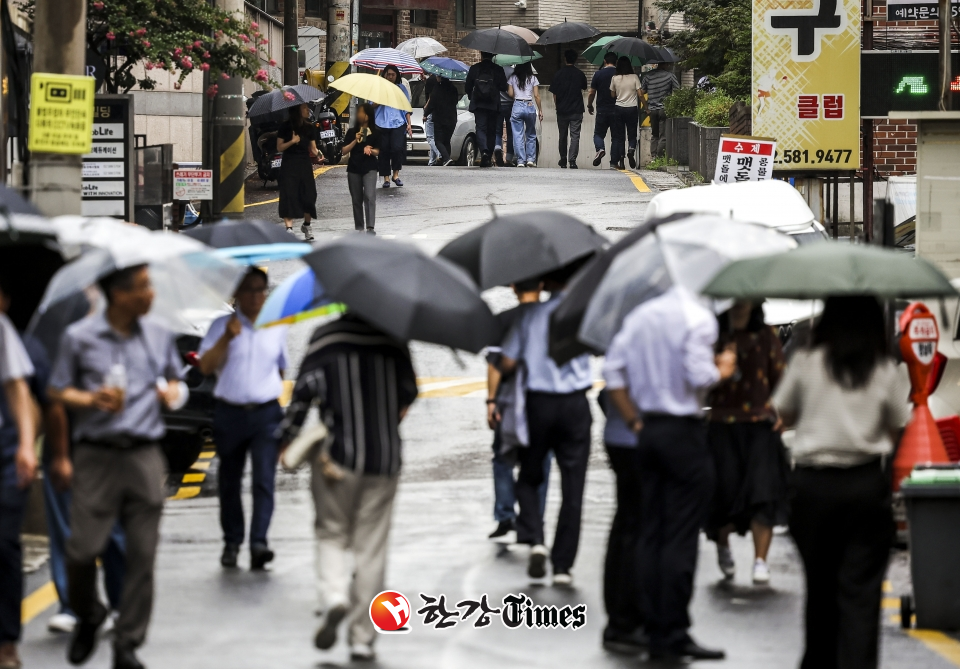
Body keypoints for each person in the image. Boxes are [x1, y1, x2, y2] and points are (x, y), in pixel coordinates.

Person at [49, 264, 185, 669]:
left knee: (142, 555)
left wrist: (169, 394)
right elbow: (57, 390)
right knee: (82, 549)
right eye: (143, 288)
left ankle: (128, 641)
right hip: (95, 455)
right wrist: (91, 400)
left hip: (144, 455)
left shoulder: (159, 334)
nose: (151, 295)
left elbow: (178, 381)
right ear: (119, 295)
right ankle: (89, 612)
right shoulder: (80, 338)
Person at [773, 296, 910, 669]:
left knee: (820, 589)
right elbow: (898, 426)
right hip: (865, 487)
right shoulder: (883, 369)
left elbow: (783, 412)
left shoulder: (806, 363)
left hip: (813, 489)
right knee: (861, 595)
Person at [603, 286, 736, 661]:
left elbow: (613, 373)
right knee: (680, 536)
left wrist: (634, 421)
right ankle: (672, 631)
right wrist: (721, 369)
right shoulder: (697, 318)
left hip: (648, 432)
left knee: (651, 533)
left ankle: (652, 626)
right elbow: (699, 375)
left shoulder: (639, 318)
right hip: (684, 433)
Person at [279, 313, 418, 663]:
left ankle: (335, 596)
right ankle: (362, 638)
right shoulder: (393, 337)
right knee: (371, 548)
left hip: (337, 459)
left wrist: (287, 439)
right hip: (385, 458)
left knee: (331, 533)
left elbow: (303, 393)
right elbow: (409, 391)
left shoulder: (326, 337)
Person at [499, 274, 592, 586]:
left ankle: (537, 539)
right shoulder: (582, 312)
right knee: (573, 485)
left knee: (529, 475)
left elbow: (508, 363)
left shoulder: (529, 315)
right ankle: (563, 565)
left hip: (539, 405)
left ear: (544, 283)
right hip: (576, 405)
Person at [198, 267, 288, 571]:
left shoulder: (276, 326)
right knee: (230, 480)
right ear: (236, 294)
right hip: (230, 412)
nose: (255, 296)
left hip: (265, 413)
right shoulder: (220, 326)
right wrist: (226, 337)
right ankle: (232, 541)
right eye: (248, 290)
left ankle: (259, 542)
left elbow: (281, 368)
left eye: (260, 290)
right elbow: (205, 367)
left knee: (264, 479)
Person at [707, 301, 789, 586]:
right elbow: (697, 382)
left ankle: (760, 561)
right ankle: (722, 545)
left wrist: (784, 414)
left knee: (762, 493)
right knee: (723, 494)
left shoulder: (766, 335)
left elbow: (781, 379)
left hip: (759, 425)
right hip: (721, 425)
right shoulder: (712, 336)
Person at [485, 280, 551, 543]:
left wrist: (491, 401)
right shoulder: (550, 317)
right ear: (542, 285)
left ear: (513, 288)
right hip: (543, 401)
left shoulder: (503, 320)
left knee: (503, 459)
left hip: (509, 402)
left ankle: (504, 515)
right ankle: (535, 518)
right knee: (541, 462)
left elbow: (495, 366)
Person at [0, 298, 37, 669]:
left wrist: (26, 445)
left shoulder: (2, 329)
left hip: (5, 448)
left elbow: (17, 388)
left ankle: (7, 640)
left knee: (5, 543)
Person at [598, 388, 647, 655]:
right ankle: (624, 619)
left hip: (625, 435)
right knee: (634, 527)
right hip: (635, 437)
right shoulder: (633, 346)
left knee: (627, 525)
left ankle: (622, 617)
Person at [276, 103, 319, 241]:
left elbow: (313, 148)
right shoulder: (285, 126)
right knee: (289, 194)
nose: (308, 110)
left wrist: (319, 155)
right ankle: (289, 228)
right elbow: (280, 147)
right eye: (305, 108)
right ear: (297, 111)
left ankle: (307, 225)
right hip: (289, 164)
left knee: (309, 195)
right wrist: (292, 141)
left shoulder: (309, 127)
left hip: (304, 164)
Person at [340, 102, 381, 234]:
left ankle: (370, 226)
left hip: (370, 167)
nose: (359, 115)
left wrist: (370, 149)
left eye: (361, 112)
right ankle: (359, 227)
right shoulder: (352, 132)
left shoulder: (376, 132)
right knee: (356, 199)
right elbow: (343, 151)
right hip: (354, 167)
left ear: (368, 116)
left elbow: (379, 151)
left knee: (369, 196)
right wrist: (354, 141)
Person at [465, 51, 508, 167]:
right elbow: (504, 87)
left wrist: (472, 96)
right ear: (493, 55)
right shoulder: (498, 69)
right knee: (492, 130)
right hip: (493, 105)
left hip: (479, 104)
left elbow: (467, 87)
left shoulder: (474, 68)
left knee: (480, 128)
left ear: (481, 55)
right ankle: (488, 155)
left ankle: (483, 151)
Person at [549, 49, 588, 169]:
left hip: (562, 110)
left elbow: (554, 94)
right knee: (575, 136)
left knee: (562, 135)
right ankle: (572, 160)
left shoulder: (558, 74)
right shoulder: (580, 74)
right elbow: (584, 87)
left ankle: (563, 158)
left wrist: (557, 106)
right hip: (576, 109)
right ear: (576, 60)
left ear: (565, 59)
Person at [375, 65, 412, 188]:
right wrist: (380, 99)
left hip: (398, 122)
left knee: (397, 148)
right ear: (384, 75)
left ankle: (395, 174)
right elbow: (371, 105)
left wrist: (409, 124)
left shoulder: (401, 89)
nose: (390, 77)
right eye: (388, 74)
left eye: (393, 75)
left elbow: (406, 107)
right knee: (384, 149)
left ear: (397, 76)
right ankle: (386, 177)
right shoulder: (379, 88)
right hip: (381, 122)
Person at [609, 56, 642, 170]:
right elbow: (640, 93)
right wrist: (646, 107)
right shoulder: (634, 77)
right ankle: (631, 150)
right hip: (632, 108)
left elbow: (612, 95)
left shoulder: (615, 78)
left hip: (619, 108)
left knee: (619, 136)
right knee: (632, 133)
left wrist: (619, 93)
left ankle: (621, 160)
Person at [641, 63, 680, 158]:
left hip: (652, 110)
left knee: (654, 134)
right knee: (663, 135)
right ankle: (660, 156)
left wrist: (646, 107)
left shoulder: (648, 76)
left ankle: (653, 156)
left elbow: (642, 92)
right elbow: (678, 90)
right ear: (665, 65)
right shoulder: (670, 76)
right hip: (664, 109)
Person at [507, 62, 542, 168]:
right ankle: (531, 159)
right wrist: (540, 110)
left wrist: (518, 96)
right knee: (531, 134)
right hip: (530, 104)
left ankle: (521, 161)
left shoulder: (512, 78)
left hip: (517, 105)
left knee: (518, 135)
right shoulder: (533, 78)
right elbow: (536, 96)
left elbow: (510, 94)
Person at [587, 52, 618, 167]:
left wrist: (590, 105)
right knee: (615, 137)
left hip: (602, 109)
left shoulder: (598, 74)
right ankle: (613, 163)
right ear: (617, 62)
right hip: (617, 109)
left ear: (604, 61)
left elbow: (591, 92)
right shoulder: (619, 75)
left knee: (598, 134)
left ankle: (600, 149)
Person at [423, 75, 459, 166]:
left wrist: (425, 114)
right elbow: (456, 101)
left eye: (438, 76)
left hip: (440, 117)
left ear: (440, 78)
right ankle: (446, 160)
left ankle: (446, 158)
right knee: (447, 140)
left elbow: (432, 103)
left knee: (438, 141)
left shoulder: (437, 88)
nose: (436, 77)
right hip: (452, 118)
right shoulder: (453, 88)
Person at [494, 65, 516, 167]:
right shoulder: (513, 72)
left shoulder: (497, 70)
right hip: (510, 104)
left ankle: (498, 147)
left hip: (498, 103)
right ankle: (509, 158)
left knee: (497, 130)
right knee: (510, 131)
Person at [423, 74, 440, 166]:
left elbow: (431, 97)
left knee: (430, 137)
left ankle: (439, 154)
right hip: (438, 112)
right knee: (434, 137)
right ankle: (432, 161)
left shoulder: (431, 80)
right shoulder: (437, 81)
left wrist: (426, 109)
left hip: (430, 111)